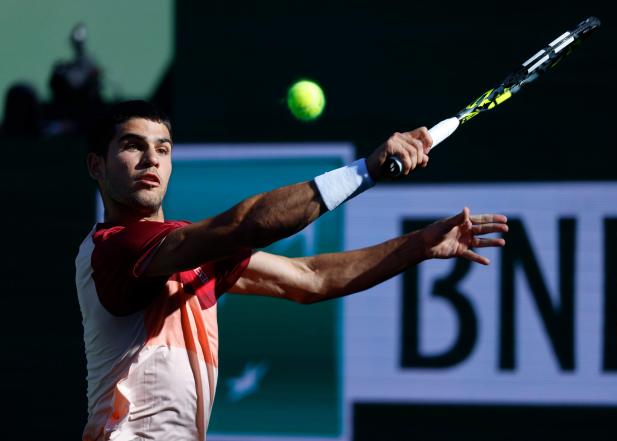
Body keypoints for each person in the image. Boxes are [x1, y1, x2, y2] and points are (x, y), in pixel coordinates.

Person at [75, 100, 508, 440]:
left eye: (163, 149)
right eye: (133, 145)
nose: (151, 159)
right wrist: (365, 171)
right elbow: (242, 225)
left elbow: (311, 279)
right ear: (97, 165)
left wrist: (419, 245)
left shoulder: (185, 257)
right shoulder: (114, 248)